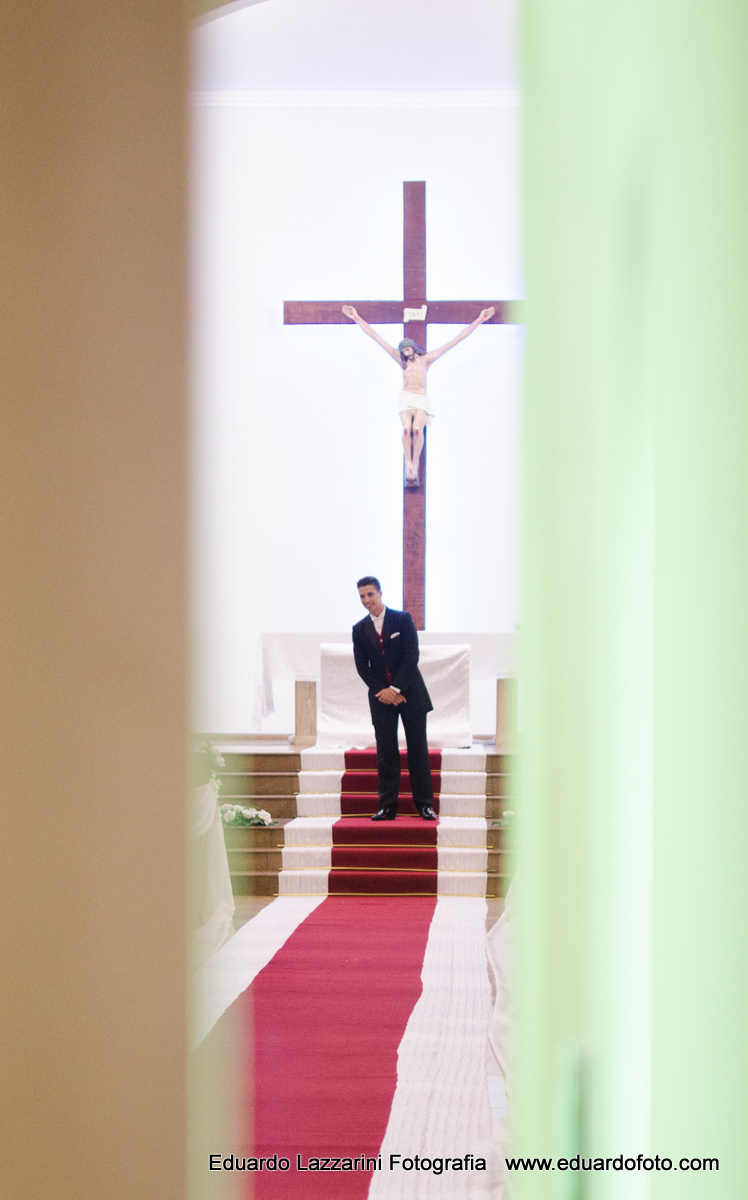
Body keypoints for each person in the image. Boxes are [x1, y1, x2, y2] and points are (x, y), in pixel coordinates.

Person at [341, 304, 496, 485]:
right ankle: (408, 462)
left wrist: (480, 319)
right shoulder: (401, 360)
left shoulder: (426, 360)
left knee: (417, 430)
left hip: (420, 398)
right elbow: (375, 336)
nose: (405, 353)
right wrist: (356, 317)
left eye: (407, 350)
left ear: (414, 348)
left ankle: (415, 462)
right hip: (406, 397)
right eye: (403, 351)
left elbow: (458, 339)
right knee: (406, 430)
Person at [352, 576, 436, 821]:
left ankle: (425, 805)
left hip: (411, 694)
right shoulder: (359, 629)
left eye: (370, 594)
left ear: (380, 593)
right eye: (362, 596)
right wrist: (385, 692)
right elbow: (362, 666)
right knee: (386, 752)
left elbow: (411, 656)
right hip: (381, 698)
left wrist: (396, 688)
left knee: (417, 749)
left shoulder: (403, 619)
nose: (366, 600)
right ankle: (387, 806)